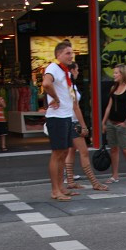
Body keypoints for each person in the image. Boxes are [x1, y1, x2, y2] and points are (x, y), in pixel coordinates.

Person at [42, 40, 85, 201]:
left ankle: (60, 187)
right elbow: (46, 83)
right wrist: (55, 98)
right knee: (57, 153)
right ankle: (55, 190)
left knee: (64, 152)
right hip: (57, 117)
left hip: (65, 116)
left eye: (71, 52)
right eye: (67, 53)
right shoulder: (53, 67)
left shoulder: (64, 71)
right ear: (58, 54)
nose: (71, 55)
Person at [63, 62, 107, 192]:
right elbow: (75, 107)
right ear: (72, 71)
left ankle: (70, 181)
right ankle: (94, 182)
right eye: (77, 70)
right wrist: (83, 126)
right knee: (84, 152)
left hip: (68, 120)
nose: (78, 73)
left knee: (71, 151)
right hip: (73, 121)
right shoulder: (70, 86)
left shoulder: (68, 85)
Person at [101, 64, 126, 184]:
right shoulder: (114, 87)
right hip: (111, 122)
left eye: (116, 73)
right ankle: (115, 175)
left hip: (122, 123)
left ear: (123, 74)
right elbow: (109, 106)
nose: (114, 75)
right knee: (113, 149)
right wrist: (104, 122)